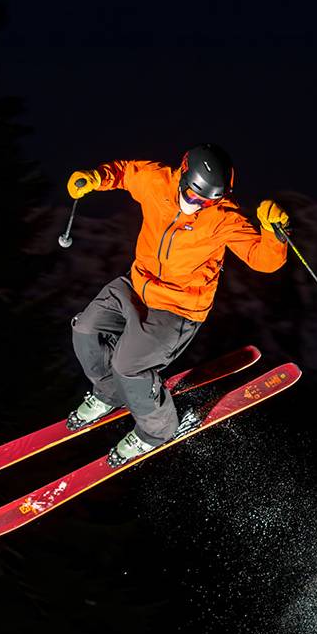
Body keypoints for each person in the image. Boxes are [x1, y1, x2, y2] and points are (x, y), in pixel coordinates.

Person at [66, 143, 289, 466]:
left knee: (129, 365)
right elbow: (127, 172)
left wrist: (274, 233)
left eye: (207, 200)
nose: (196, 205)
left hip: (177, 308)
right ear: (182, 177)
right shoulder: (158, 180)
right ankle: (109, 393)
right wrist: (96, 176)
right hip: (136, 285)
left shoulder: (223, 218)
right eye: (193, 196)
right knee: (86, 330)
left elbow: (263, 260)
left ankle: (158, 430)